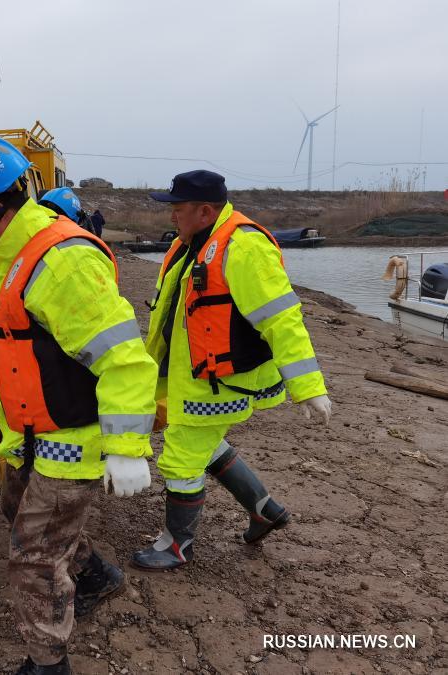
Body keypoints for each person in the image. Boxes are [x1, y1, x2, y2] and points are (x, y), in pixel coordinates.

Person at [0, 137, 157, 675]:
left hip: (72, 438)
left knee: (32, 560)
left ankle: (48, 664)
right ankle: (96, 576)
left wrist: (128, 448)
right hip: (28, 433)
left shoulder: (60, 263)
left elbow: (124, 358)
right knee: (18, 513)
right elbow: (10, 352)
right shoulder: (5, 261)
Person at [131, 170, 331, 571]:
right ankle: (264, 509)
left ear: (205, 211)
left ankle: (177, 545)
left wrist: (308, 387)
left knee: (181, 460)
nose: (172, 216)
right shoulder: (191, 244)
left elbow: (281, 319)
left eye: (178, 209)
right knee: (201, 442)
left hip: (218, 381)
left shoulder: (243, 247)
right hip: (186, 374)